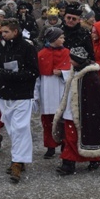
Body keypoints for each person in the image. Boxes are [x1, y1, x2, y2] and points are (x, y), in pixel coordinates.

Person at [0, 18, 39, 183]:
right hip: (5, 92)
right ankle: (21, 157)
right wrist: (1, 73)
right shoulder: (0, 47)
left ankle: (17, 162)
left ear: (15, 31)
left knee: (20, 127)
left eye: (6, 32)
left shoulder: (27, 47)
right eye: (2, 32)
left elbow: (34, 71)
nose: (2, 35)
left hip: (22, 93)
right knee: (12, 129)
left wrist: (16, 76)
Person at [53, 46, 100, 176]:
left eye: (71, 59)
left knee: (82, 137)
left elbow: (95, 99)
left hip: (83, 113)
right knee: (72, 138)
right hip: (71, 111)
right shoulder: (75, 71)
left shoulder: (89, 76)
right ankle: (72, 161)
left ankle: (70, 162)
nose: (69, 61)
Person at [35, 27, 70, 159]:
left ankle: (64, 144)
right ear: (54, 39)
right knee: (48, 120)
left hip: (61, 89)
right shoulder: (42, 54)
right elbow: (38, 76)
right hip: (47, 90)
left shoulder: (67, 52)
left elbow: (72, 71)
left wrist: (62, 73)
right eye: (61, 37)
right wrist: (36, 95)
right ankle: (50, 146)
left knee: (62, 120)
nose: (63, 39)